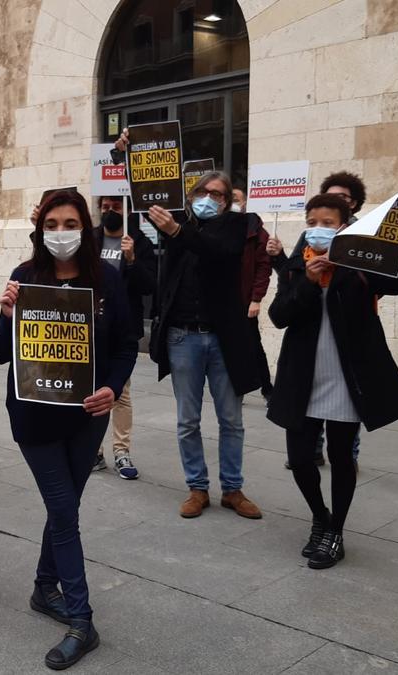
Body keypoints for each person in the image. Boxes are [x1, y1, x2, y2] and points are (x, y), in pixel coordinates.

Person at [0, 189, 137, 670]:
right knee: (64, 511)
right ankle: (81, 619)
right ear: (40, 229)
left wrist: (112, 389)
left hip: (87, 417)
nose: (59, 233)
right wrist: (8, 317)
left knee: (65, 506)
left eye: (68, 223)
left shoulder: (108, 282)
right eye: (50, 224)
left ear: (85, 227)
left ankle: (41, 588)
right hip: (34, 418)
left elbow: (125, 347)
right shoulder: (24, 278)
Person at [269, 194, 398, 568]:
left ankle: (336, 532)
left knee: (342, 458)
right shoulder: (297, 266)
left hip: (346, 379)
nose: (318, 228)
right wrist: (308, 284)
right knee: (299, 459)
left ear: (345, 226)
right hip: (303, 379)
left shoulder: (360, 266)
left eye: (327, 222)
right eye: (312, 220)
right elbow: (280, 316)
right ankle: (320, 518)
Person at [143, 170, 264, 519]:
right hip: (183, 336)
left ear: (228, 201)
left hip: (223, 337)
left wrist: (178, 232)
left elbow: (217, 250)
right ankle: (197, 487)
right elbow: (148, 189)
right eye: (204, 192)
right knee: (187, 420)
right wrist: (125, 153)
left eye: (219, 194)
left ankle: (232, 489)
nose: (211, 198)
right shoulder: (175, 223)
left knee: (231, 419)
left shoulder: (237, 226)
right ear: (192, 194)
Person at [270, 170, 369, 469]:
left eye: (342, 198)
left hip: (348, 334)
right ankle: (313, 449)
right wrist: (280, 259)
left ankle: (347, 455)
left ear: (352, 205)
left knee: (347, 402)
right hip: (311, 335)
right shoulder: (310, 238)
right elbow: (293, 275)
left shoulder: (364, 235)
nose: (319, 228)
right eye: (313, 222)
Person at [92, 194, 156, 479]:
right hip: (90, 327)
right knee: (90, 388)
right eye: (105, 206)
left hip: (122, 328)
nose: (110, 210)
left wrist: (131, 260)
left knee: (121, 393)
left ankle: (121, 451)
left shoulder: (138, 241)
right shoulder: (89, 239)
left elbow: (149, 286)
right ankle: (93, 450)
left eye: (116, 205)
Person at [241, 206, 274, 400]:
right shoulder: (216, 225)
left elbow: (264, 266)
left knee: (254, 346)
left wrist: (256, 299)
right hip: (223, 302)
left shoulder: (255, 230)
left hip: (245, 301)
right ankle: (238, 388)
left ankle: (267, 389)